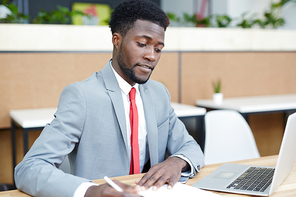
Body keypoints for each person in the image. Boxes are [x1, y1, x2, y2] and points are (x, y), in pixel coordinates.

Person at [14, 0, 205, 197]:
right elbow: (29, 168)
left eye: (158, 49)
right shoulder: (82, 96)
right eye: (142, 44)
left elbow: (190, 147)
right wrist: (91, 191)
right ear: (117, 40)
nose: (151, 56)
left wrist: (177, 161)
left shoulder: (159, 94)